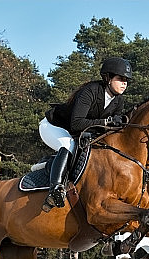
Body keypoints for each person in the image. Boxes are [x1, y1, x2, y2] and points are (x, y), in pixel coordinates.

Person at [38, 57, 132, 211]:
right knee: (68, 145)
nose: (124, 83)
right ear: (108, 78)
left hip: (76, 133)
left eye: (127, 80)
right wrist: (106, 122)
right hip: (53, 126)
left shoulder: (118, 100)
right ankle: (55, 189)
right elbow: (77, 124)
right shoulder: (90, 91)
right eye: (120, 78)